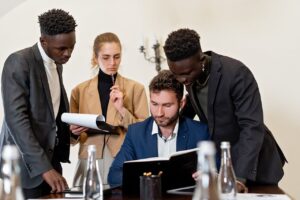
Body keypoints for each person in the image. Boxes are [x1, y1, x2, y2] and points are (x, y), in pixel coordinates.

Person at [164, 28, 287, 188]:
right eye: (176, 74)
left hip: (254, 162)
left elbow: (251, 127)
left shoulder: (236, 73)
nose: (182, 79)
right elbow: (199, 105)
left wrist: (239, 178)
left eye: (186, 73)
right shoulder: (189, 77)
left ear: (201, 59)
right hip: (224, 161)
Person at [0, 9, 77, 198]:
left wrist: (69, 130)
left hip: (50, 161)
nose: (68, 54)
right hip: (22, 167)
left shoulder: (56, 63)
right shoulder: (18, 62)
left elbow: (49, 113)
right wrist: (44, 168)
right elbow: (16, 120)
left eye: (72, 47)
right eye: (62, 48)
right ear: (43, 41)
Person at [69, 32, 149, 186]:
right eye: (106, 57)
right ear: (95, 57)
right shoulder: (79, 91)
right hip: (89, 158)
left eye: (117, 56)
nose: (112, 62)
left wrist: (122, 109)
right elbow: (71, 137)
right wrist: (73, 132)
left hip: (122, 156)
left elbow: (144, 131)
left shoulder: (135, 89)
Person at [108, 70, 210, 187]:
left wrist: (207, 176)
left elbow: (216, 172)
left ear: (181, 103)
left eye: (167, 105)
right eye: (154, 104)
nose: (159, 113)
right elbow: (114, 176)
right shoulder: (135, 133)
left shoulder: (200, 132)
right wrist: (152, 181)